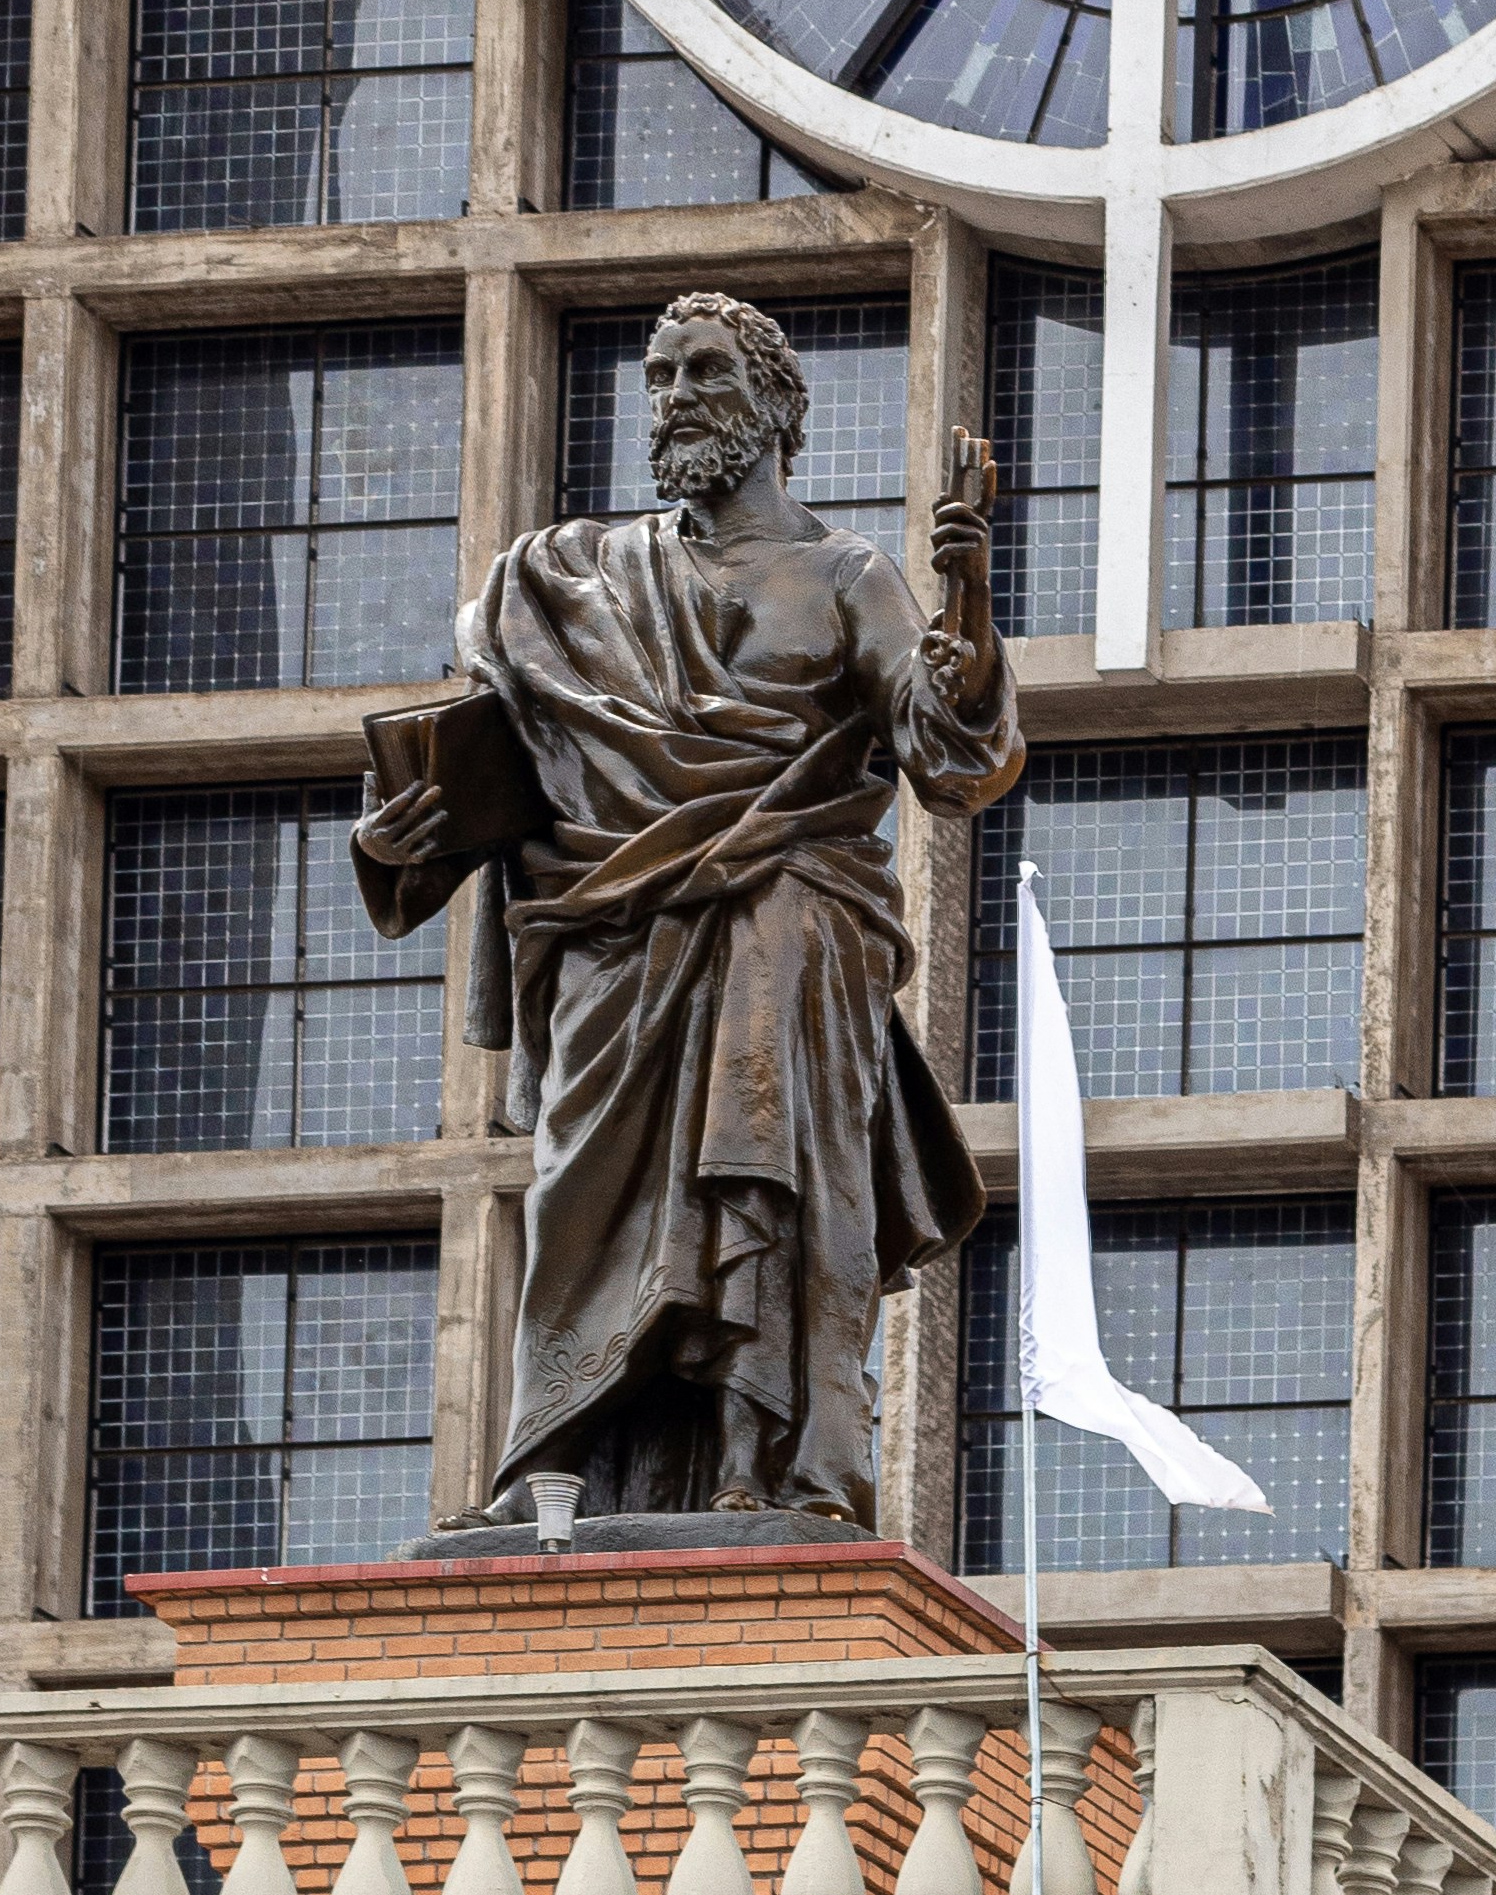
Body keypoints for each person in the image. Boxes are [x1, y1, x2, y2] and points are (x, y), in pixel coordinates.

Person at [353, 288, 1022, 1531]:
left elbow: (953, 761)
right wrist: (394, 839)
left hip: (786, 923)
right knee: (579, 1198)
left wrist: (968, 604)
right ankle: (556, 1466)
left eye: (703, 373)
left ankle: (777, 1463)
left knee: (771, 1180)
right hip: (607, 944)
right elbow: (488, 764)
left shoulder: (846, 577)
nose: (672, 401)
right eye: (659, 378)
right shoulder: (569, 578)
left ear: (775, 406)